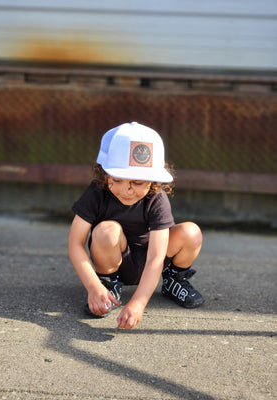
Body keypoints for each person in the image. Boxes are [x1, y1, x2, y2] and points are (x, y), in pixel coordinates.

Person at [68, 122, 204, 330]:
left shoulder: (156, 198)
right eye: (117, 179)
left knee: (191, 232)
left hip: (152, 262)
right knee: (106, 230)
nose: (126, 190)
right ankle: (108, 285)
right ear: (105, 173)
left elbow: (156, 257)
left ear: (153, 180)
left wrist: (138, 302)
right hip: (114, 261)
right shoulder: (97, 192)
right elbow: (75, 243)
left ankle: (173, 280)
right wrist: (93, 286)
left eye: (137, 182)